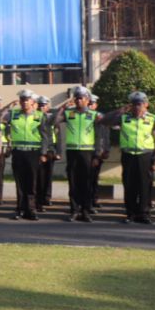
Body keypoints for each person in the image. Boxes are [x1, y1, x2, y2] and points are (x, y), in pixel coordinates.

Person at [98, 92, 155, 225]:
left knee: (145, 185)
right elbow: (104, 121)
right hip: (129, 156)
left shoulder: (153, 119)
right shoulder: (123, 118)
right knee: (129, 185)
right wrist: (120, 110)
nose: (137, 107)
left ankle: (144, 213)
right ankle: (131, 213)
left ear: (146, 104)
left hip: (145, 155)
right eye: (134, 104)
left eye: (139, 104)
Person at [50, 87, 102, 223]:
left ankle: (85, 211)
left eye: (81, 98)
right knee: (73, 183)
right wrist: (62, 108)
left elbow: (99, 135)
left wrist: (97, 154)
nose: (79, 100)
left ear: (87, 100)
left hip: (87, 152)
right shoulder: (69, 114)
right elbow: (54, 121)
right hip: (72, 152)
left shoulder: (94, 115)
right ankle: (74, 210)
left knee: (86, 183)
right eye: (77, 98)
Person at [0, 90, 50, 221]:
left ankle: (31, 210)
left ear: (32, 102)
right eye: (22, 100)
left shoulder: (40, 116)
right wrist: (8, 107)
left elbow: (45, 136)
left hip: (33, 152)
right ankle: (20, 209)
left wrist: (44, 152)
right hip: (18, 152)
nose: (24, 102)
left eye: (27, 100)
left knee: (32, 182)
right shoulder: (13, 114)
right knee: (20, 182)